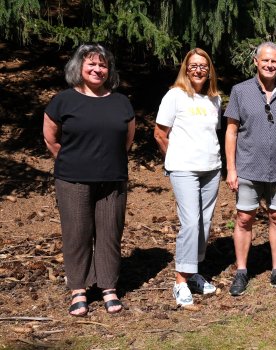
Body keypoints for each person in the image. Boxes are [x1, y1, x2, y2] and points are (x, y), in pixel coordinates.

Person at [42, 44, 135, 316]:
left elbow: (127, 139)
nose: (98, 69)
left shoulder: (121, 101)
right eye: (91, 64)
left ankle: (107, 287)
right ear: (79, 68)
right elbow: (51, 137)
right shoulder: (63, 101)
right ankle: (78, 289)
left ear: (109, 70)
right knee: (77, 234)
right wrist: (74, 160)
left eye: (103, 65)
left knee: (109, 234)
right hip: (73, 179)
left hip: (113, 179)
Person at [224, 42, 276, 295]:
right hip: (247, 168)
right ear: (256, 62)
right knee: (244, 218)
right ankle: (242, 271)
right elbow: (231, 131)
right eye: (265, 60)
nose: (269, 65)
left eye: (274, 61)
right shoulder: (240, 91)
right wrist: (231, 169)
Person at [153, 48, 221, 306]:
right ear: (185, 68)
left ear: (209, 70)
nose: (198, 69)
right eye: (193, 65)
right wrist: (176, 158)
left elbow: (211, 133)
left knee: (203, 224)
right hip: (184, 170)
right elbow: (160, 133)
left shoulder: (214, 99)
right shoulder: (175, 96)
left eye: (203, 65)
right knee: (191, 222)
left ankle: (193, 273)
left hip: (212, 168)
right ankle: (180, 281)